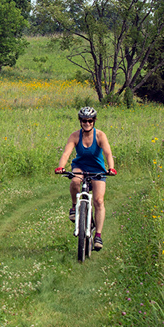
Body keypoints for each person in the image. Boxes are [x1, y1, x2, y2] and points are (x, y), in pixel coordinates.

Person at [55, 106, 116, 252]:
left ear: (94, 121)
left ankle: (98, 235)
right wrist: (61, 167)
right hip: (80, 166)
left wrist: (111, 167)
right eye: (84, 121)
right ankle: (75, 206)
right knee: (75, 181)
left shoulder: (100, 135)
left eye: (89, 120)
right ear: (80, 121)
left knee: (98, 201)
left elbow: (108, 153)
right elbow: (66, 153)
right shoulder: (75, 136)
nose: (87, 123)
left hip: (97, 169)